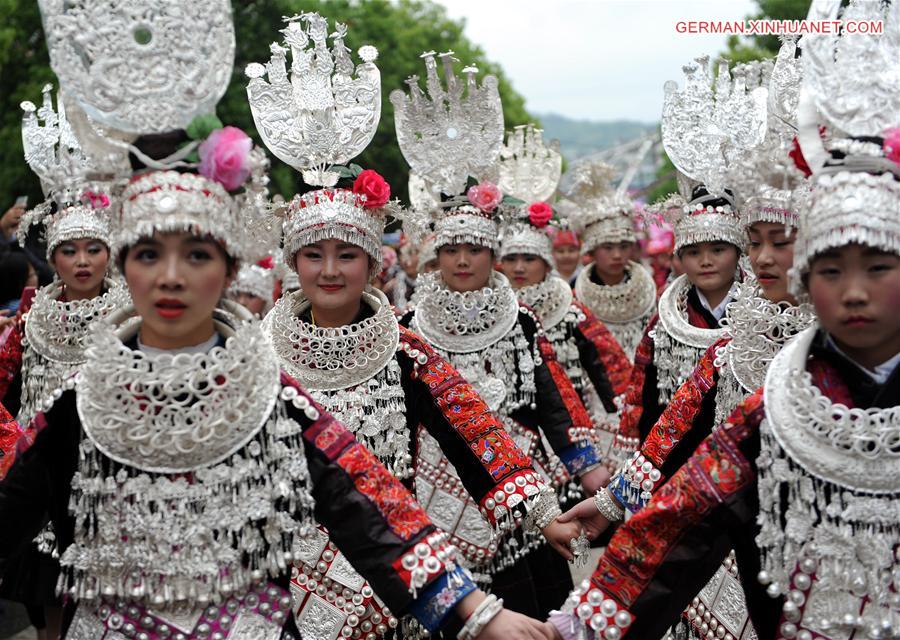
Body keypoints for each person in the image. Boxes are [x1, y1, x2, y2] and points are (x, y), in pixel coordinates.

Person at [0, 159, 552, 640]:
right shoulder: (83, 404)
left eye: (196, 255)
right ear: (124, 269)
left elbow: (365, 505)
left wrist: (470, 609)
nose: (171, 278)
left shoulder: (265, 393)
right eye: (148, 255)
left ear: (228, 272)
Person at [549, 11, 900, 635]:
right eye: (829, 268)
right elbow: (683, 483)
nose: (853, 293)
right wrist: (606, 516)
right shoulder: (759, 372)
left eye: (878, 266)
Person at [261, 167, 577, 637]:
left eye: (346, 255)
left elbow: (473, 431)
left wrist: (542, 514)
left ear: (372, 265)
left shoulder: (404, 351)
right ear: (294, 262)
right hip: (284, 568)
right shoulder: (257, 354)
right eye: (313, 255)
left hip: (388, 564)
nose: (329, 271)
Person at [402, 187, 607, 618]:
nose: (462, 261)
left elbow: (555, 401)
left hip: (521, 490)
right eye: (451, 249)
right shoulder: (408, 327)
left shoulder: (521, 321)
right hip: (436, 491)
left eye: (474, 249)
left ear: (492, 252)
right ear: (435, 254)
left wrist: (590, 470)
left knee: (532, 610)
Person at [499, 205, 632, 472]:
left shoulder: (566, 307)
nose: (519, 267)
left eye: (529, 258)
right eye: (511, 259)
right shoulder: (493, 308)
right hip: (510, 427)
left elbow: (608, 363)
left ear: (546, 263)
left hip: (569, 425)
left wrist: (631, 419)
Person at [569, 162, 657, 363]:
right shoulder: (574, 297)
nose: (617, 255)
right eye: (608, 247)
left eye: (624, 246)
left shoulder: (650, 293)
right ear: (592, 250)